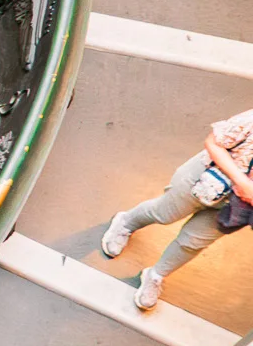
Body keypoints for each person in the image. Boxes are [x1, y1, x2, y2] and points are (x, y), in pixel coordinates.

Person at [101, 109, 253, 310]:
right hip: (205, 178)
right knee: (164, 213)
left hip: (236, 207)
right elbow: (213, 142)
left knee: (193, 242)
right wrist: (242, 181)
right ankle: (126, 222)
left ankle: (156, 275)